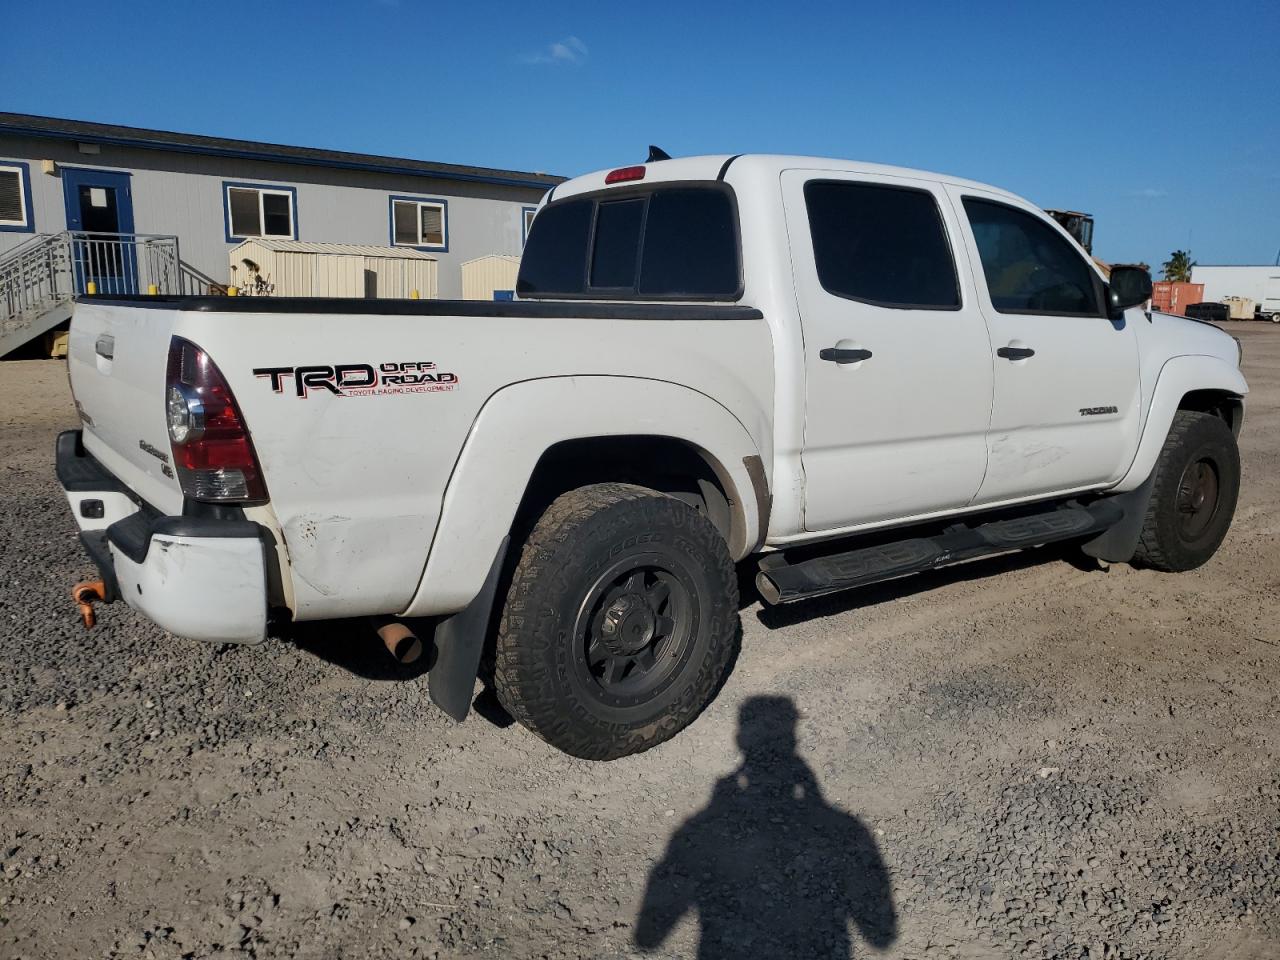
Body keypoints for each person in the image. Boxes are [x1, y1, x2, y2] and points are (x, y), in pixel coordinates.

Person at [635, 696, 897, 959]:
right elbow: (881, 935)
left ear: (740, 740)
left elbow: (648, 937)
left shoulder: (699, 829)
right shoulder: (844, 828)